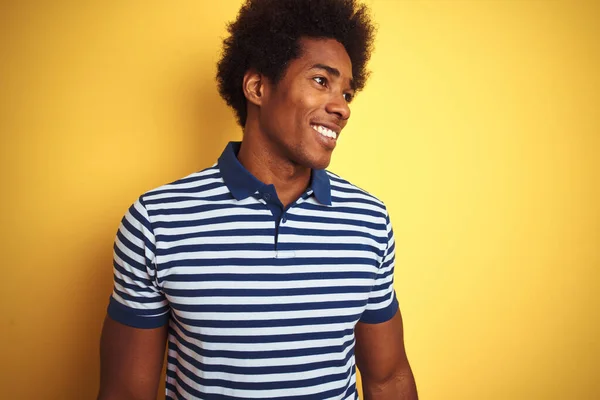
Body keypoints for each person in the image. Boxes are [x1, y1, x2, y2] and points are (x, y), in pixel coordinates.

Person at [98, 0, 418, 399]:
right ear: (258, 87)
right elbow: (126, 392)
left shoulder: (368, 222)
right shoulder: (157, 222)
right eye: (321, 80)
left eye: (347, 92)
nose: (342, 107)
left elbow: (388, 377)